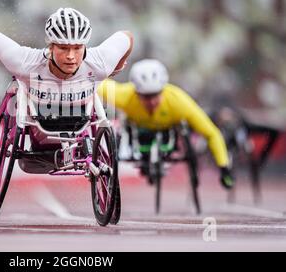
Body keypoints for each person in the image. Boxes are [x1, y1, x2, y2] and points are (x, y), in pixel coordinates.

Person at [0, 7, 134, 172]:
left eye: (77, 48)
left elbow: (128, 37)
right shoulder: (23, 62)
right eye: (63, 48)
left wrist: (117, 65)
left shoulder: (101, 63)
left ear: (85, 46)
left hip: (79, 117)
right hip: (39, 121)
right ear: (51, 46)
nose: (71, 56)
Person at [97, 59, 234, 189]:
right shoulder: (125, 95)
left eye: (155, 95)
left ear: (163, 90)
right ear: (136, 92)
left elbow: (211, 133)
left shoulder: (179, 101)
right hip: (138, 131)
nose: (151, 102)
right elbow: (97, 84)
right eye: (145, 96)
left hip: (167, 132)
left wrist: (224, 167)